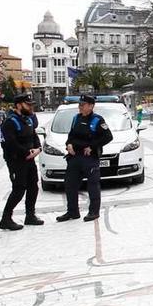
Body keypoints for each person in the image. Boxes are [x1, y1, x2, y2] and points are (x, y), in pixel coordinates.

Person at [57, 95, 113, 223]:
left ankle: (93, 211)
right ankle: (72, 211)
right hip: (75, 157)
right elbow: (71, 135)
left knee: (93, 185)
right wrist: (68, 144)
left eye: (82, 105)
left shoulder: (98, 120)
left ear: (91, 106)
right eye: (79, 105)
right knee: (70, 184)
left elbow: (108, 137)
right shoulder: (76, 118)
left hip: (89, 158)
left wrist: (92, 146)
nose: (80, 107)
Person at [0, 94, 44, 230]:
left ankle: (30, 215)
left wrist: (38, 148)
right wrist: (27, 152)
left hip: (29, 160)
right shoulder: (10, 122)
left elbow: (34, 135)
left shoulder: (28, 120)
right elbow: (11, 143)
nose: (30, 107)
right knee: (18, 190)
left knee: (33, 187)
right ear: (18, 105)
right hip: (16, 161)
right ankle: (5, 219)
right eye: (27, 104)